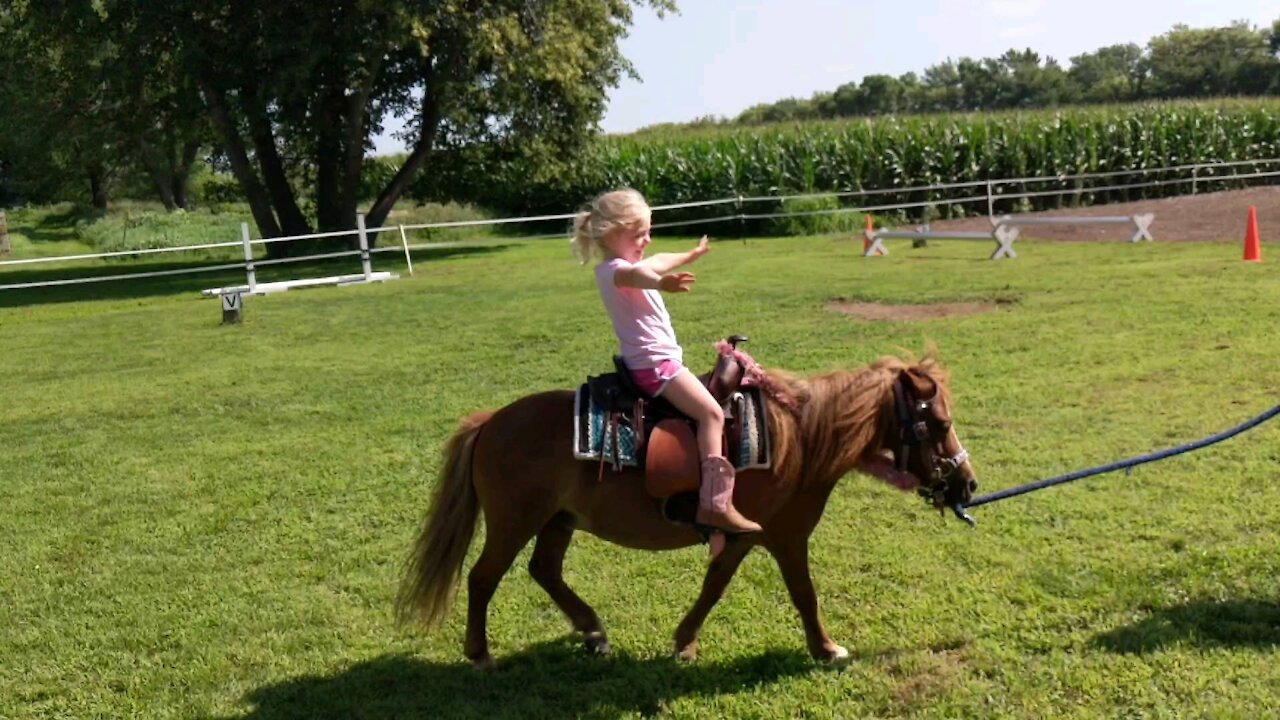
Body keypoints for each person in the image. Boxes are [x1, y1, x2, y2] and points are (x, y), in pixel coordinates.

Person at [572, 188, 762, 538]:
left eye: (648, 231)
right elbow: (640, 276)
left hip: (656, 363)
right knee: (712, 414)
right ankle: (715, 503)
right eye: (638, 234)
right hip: (656, 367)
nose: (647, 240)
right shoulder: (614, 271)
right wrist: (661, 284)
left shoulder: (628, 262)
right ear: (612, 233)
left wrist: (690, 255)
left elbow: (658, 260)